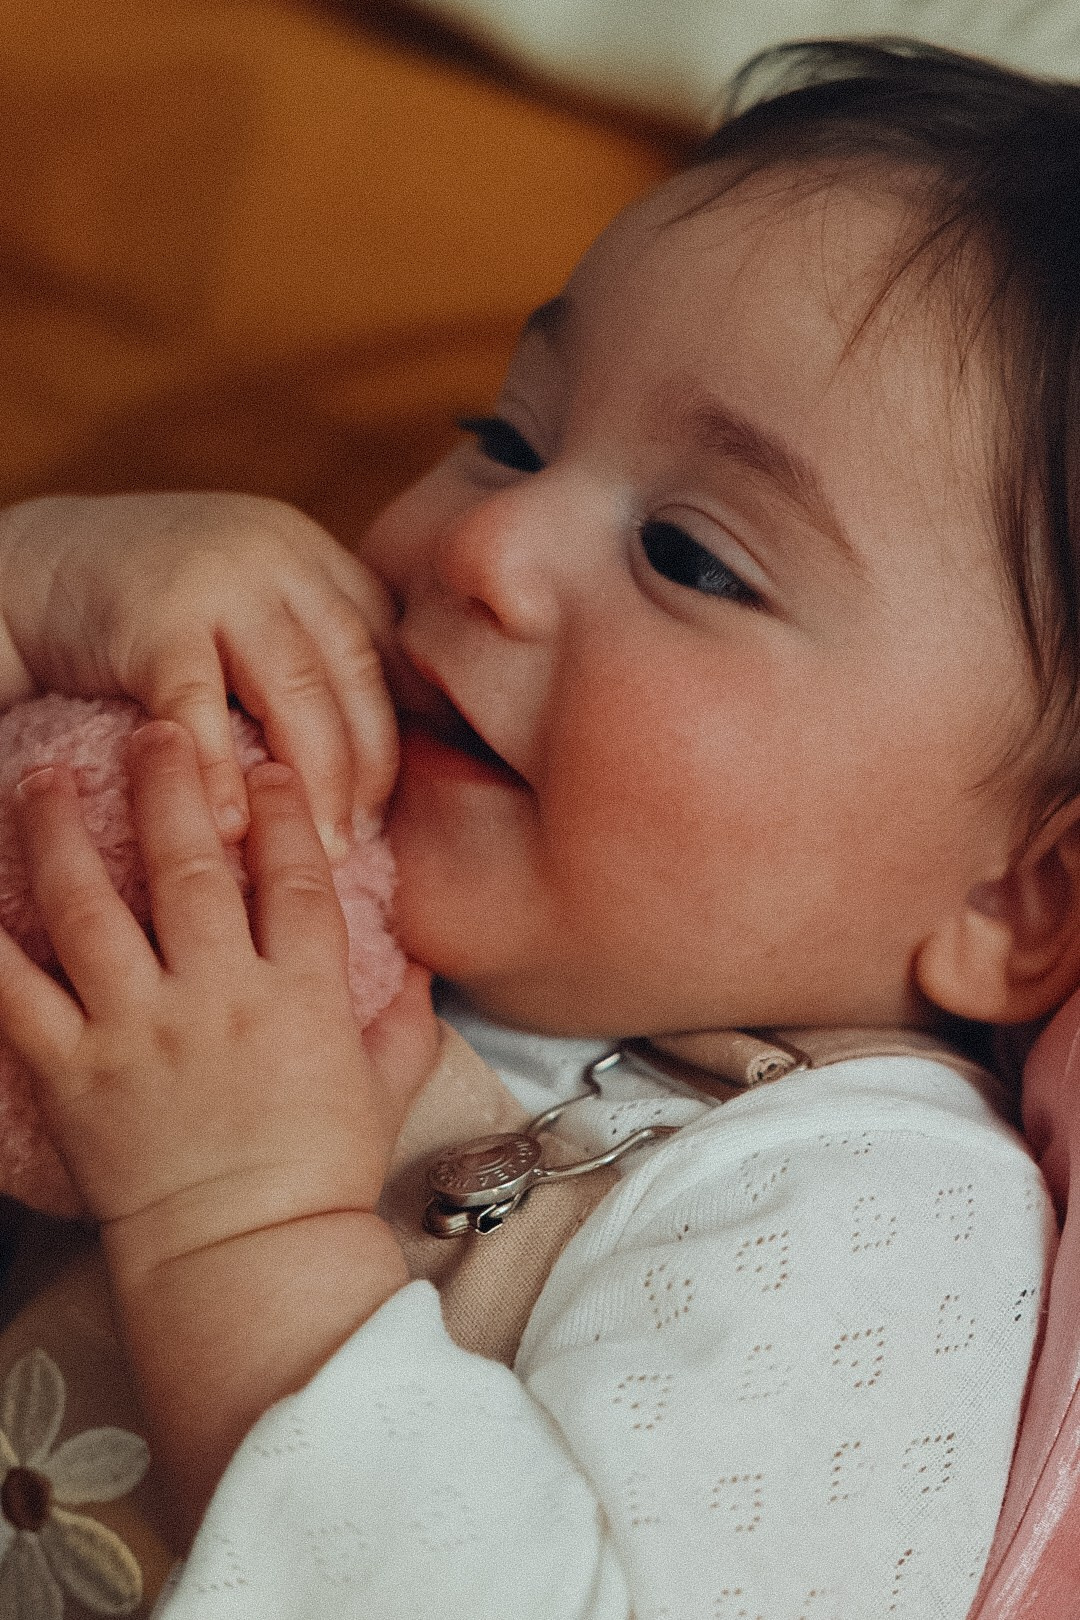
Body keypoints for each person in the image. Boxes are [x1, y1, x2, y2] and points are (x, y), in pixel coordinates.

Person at [0, 37, 1076, 1618]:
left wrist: (241, 1227)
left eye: (694, 559)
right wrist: (31, 597)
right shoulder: (265, 844)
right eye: (506, 432)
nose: (485, 540)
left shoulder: (871, 1211)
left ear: (1021, 904)